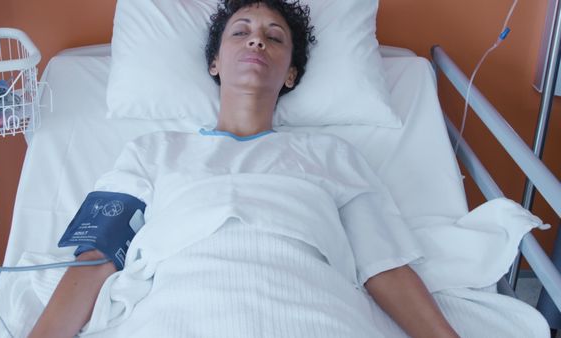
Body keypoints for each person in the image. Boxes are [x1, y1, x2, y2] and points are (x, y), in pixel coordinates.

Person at [29, 1, 459, 337]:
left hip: (313, 302)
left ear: (290, 73)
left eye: (274, 37)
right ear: (214, 64)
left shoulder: (332, 154)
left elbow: (383, 263)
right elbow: (98, 255)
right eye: (241, 32)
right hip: (183, 302)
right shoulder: (152, 150)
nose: (257, 42)